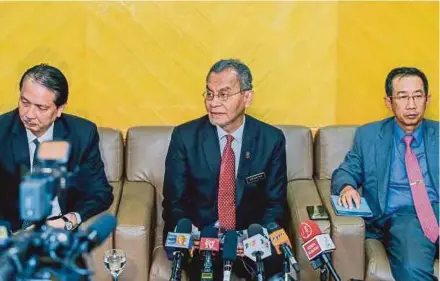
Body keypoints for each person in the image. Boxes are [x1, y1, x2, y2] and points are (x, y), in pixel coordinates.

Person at [162, 59, 287, 280]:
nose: (213, 103)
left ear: (247, 97)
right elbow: (174, 202)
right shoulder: (185, 137)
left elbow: (275, 204)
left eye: (224, 94)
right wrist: (194, 236)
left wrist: (250, 238)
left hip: (250, 239)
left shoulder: (271, 140)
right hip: (203, 239)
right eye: (209, 94)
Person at [331, 67, 438, 281]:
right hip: (403, 218)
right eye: (402, 96)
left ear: (428, 99)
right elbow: (346, 171)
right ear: (389, 102)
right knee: (411, 266)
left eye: (418, 96)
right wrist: (347, 187)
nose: (411, 105)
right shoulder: (369, 136)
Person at [0, 63, 113, 232]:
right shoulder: (3, 130)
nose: (29, 114)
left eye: (41, 108)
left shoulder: (81, 134)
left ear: (60, 109)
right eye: (25, 102)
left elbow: (100, 192)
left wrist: (70, 219)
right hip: (11, 234)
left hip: (56, 230)